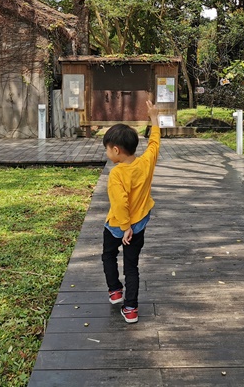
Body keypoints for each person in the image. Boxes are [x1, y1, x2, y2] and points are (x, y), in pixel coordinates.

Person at [101, 99, 160, 324]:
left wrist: (124, 227)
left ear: (115, 150)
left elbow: (119, 203)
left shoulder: (117, 174)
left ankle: (115, 291)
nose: (107, 153)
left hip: (119, 226)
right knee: (132, 266)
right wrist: (154, 118)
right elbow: (154, 144)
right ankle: (131, 309)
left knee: (108, 255)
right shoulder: (145, 163)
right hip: (140, 224)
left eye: (107, 149)